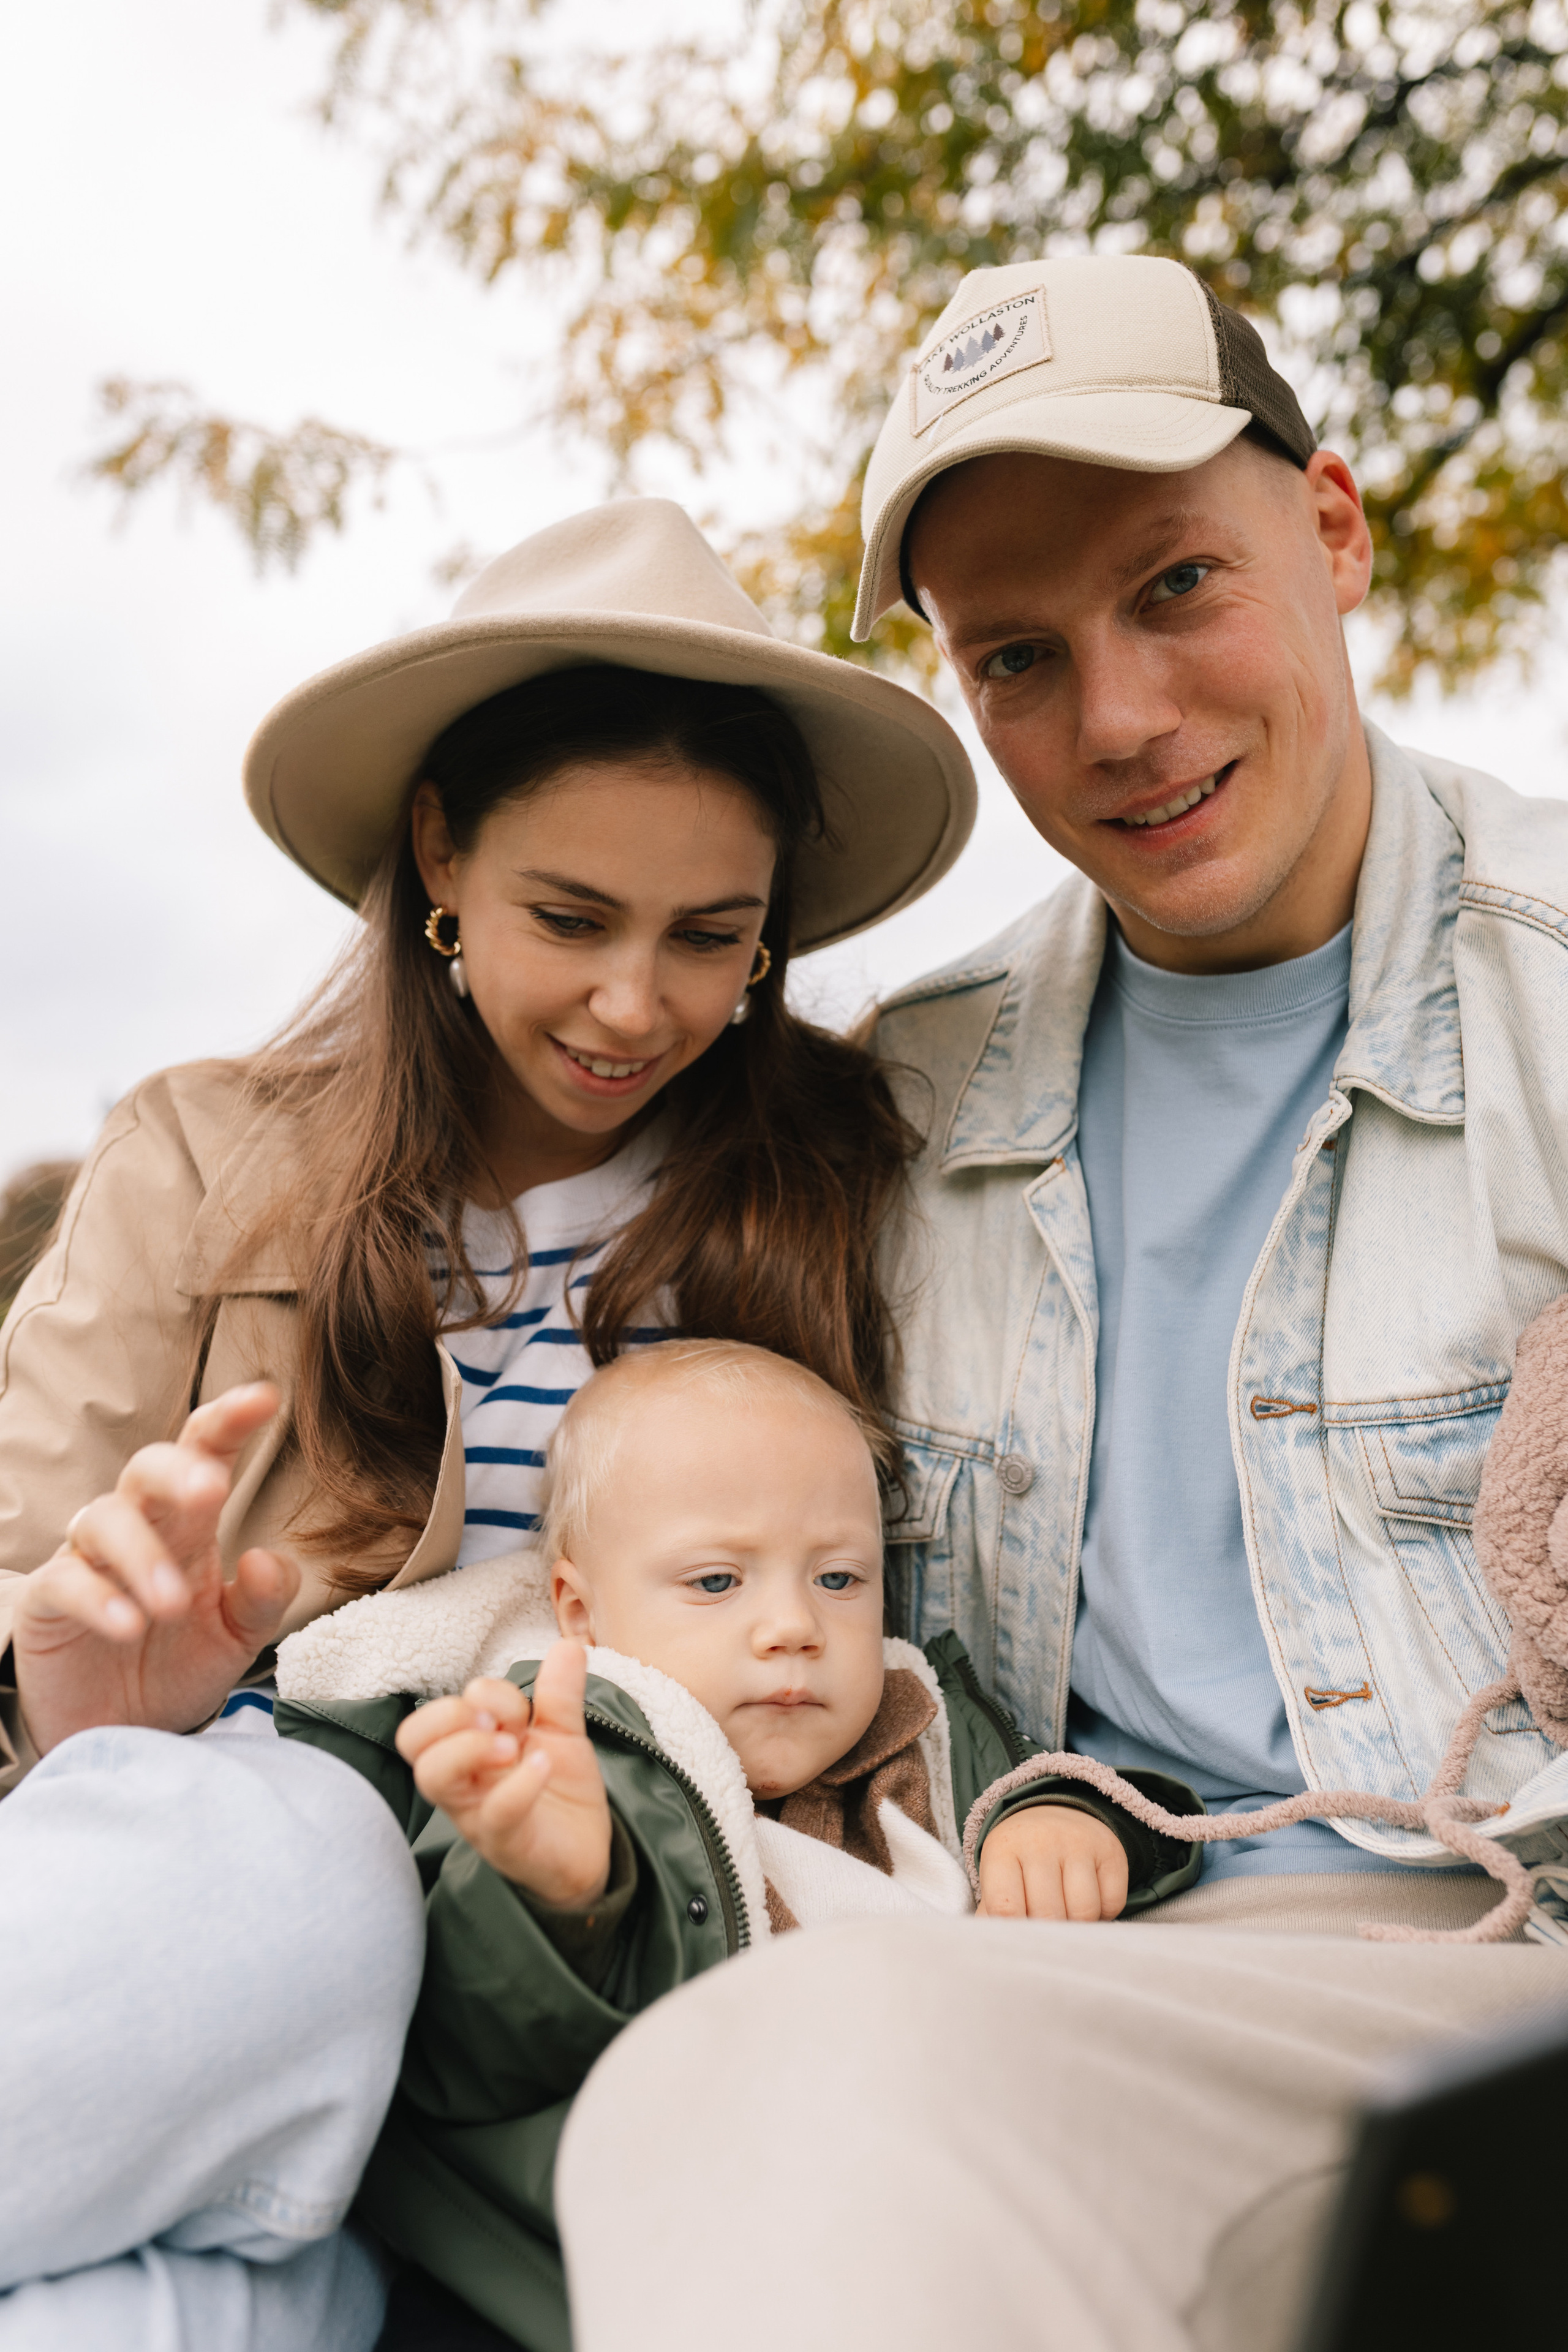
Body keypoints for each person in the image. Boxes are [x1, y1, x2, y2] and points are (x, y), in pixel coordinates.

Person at [549, 260, 1568, 2351]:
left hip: (1512, 1957)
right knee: (731, 2083)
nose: (1118, 719)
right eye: (1018, 655)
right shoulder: (899, 1106)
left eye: (1180, 582)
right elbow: (662, 1513)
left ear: (1340, 529)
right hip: (1076, 1974)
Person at [0, 499, 974, 2351]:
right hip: (270, 1846)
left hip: (648, 1912)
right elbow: (28, 1598)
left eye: (715, 939)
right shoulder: (196, 1158)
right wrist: (79, 1702)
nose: (637, 1005)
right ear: (440, 851)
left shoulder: (839, 1187)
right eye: (569, 918)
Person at [266, 1338, 1200, 2346]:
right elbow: (481, 2047)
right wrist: (556, 1890)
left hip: (931, 2212)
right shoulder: (561, 1760)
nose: (794, 1625)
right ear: (580, 1611)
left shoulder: (928, 1729)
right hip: (621, 2260)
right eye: (717, 1583)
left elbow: (1122, 1807)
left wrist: (1067, 1817)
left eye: (840, 1578)